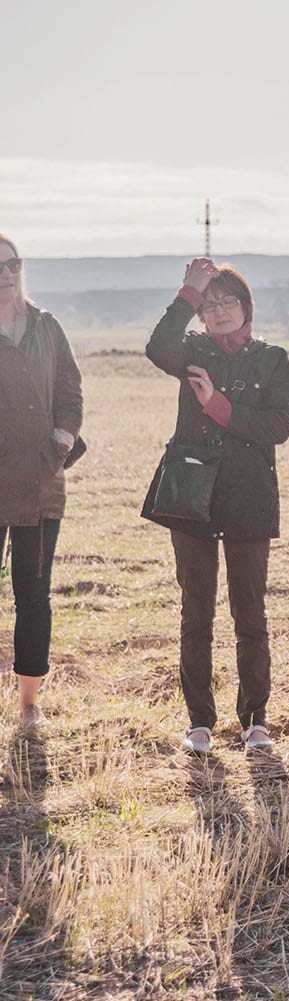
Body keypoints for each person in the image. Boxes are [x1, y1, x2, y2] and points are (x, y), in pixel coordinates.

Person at [145, 259, 289, 754]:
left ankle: (255, 721)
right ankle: (199, 724)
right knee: (196, 613)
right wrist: (188, 289)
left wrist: (218, 407)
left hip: (249, 495)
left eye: (228, 301)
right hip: (193, 496)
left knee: (250, 614)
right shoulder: (190, 349)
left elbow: (279, 426)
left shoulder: (273, 359)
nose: (220, 311)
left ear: (246, 307)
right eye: (210, 305)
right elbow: (156, 347)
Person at [0, 233, 83, 729]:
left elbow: (70, 385)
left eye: (12, 264)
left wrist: (62, 438)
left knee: (33, 593)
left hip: (39, 482)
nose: (5, 274)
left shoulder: (46, 326)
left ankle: (29, 703)